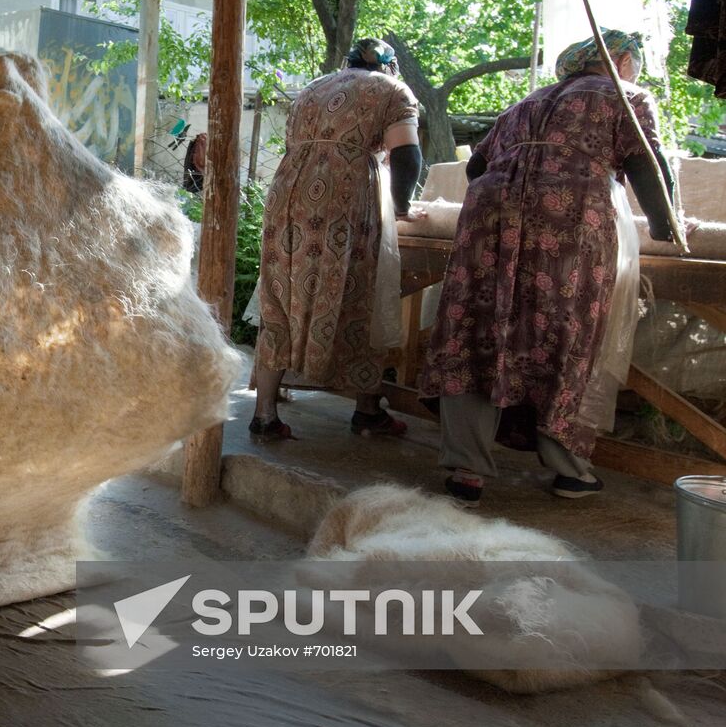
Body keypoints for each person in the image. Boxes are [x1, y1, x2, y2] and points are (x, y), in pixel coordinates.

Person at [420, 30, 686, 507]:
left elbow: (476, 168)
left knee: (477, 329)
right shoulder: (626, 97)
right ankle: (568, 470)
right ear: (621, 59)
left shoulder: (526, 103)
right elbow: (647, 166)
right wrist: (669, 229)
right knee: (565, 330)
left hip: (489, 215)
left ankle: (466, 471)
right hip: (569, 217)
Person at [250, 39, 425, 440]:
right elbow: (406, 155)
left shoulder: (314, 86)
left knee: (281, 296)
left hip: (287, 195)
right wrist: (401, 206)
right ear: (389, 67)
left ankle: (264, 414)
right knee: (356, 292)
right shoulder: (393, 91)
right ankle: (366, 411)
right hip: (343, 196)